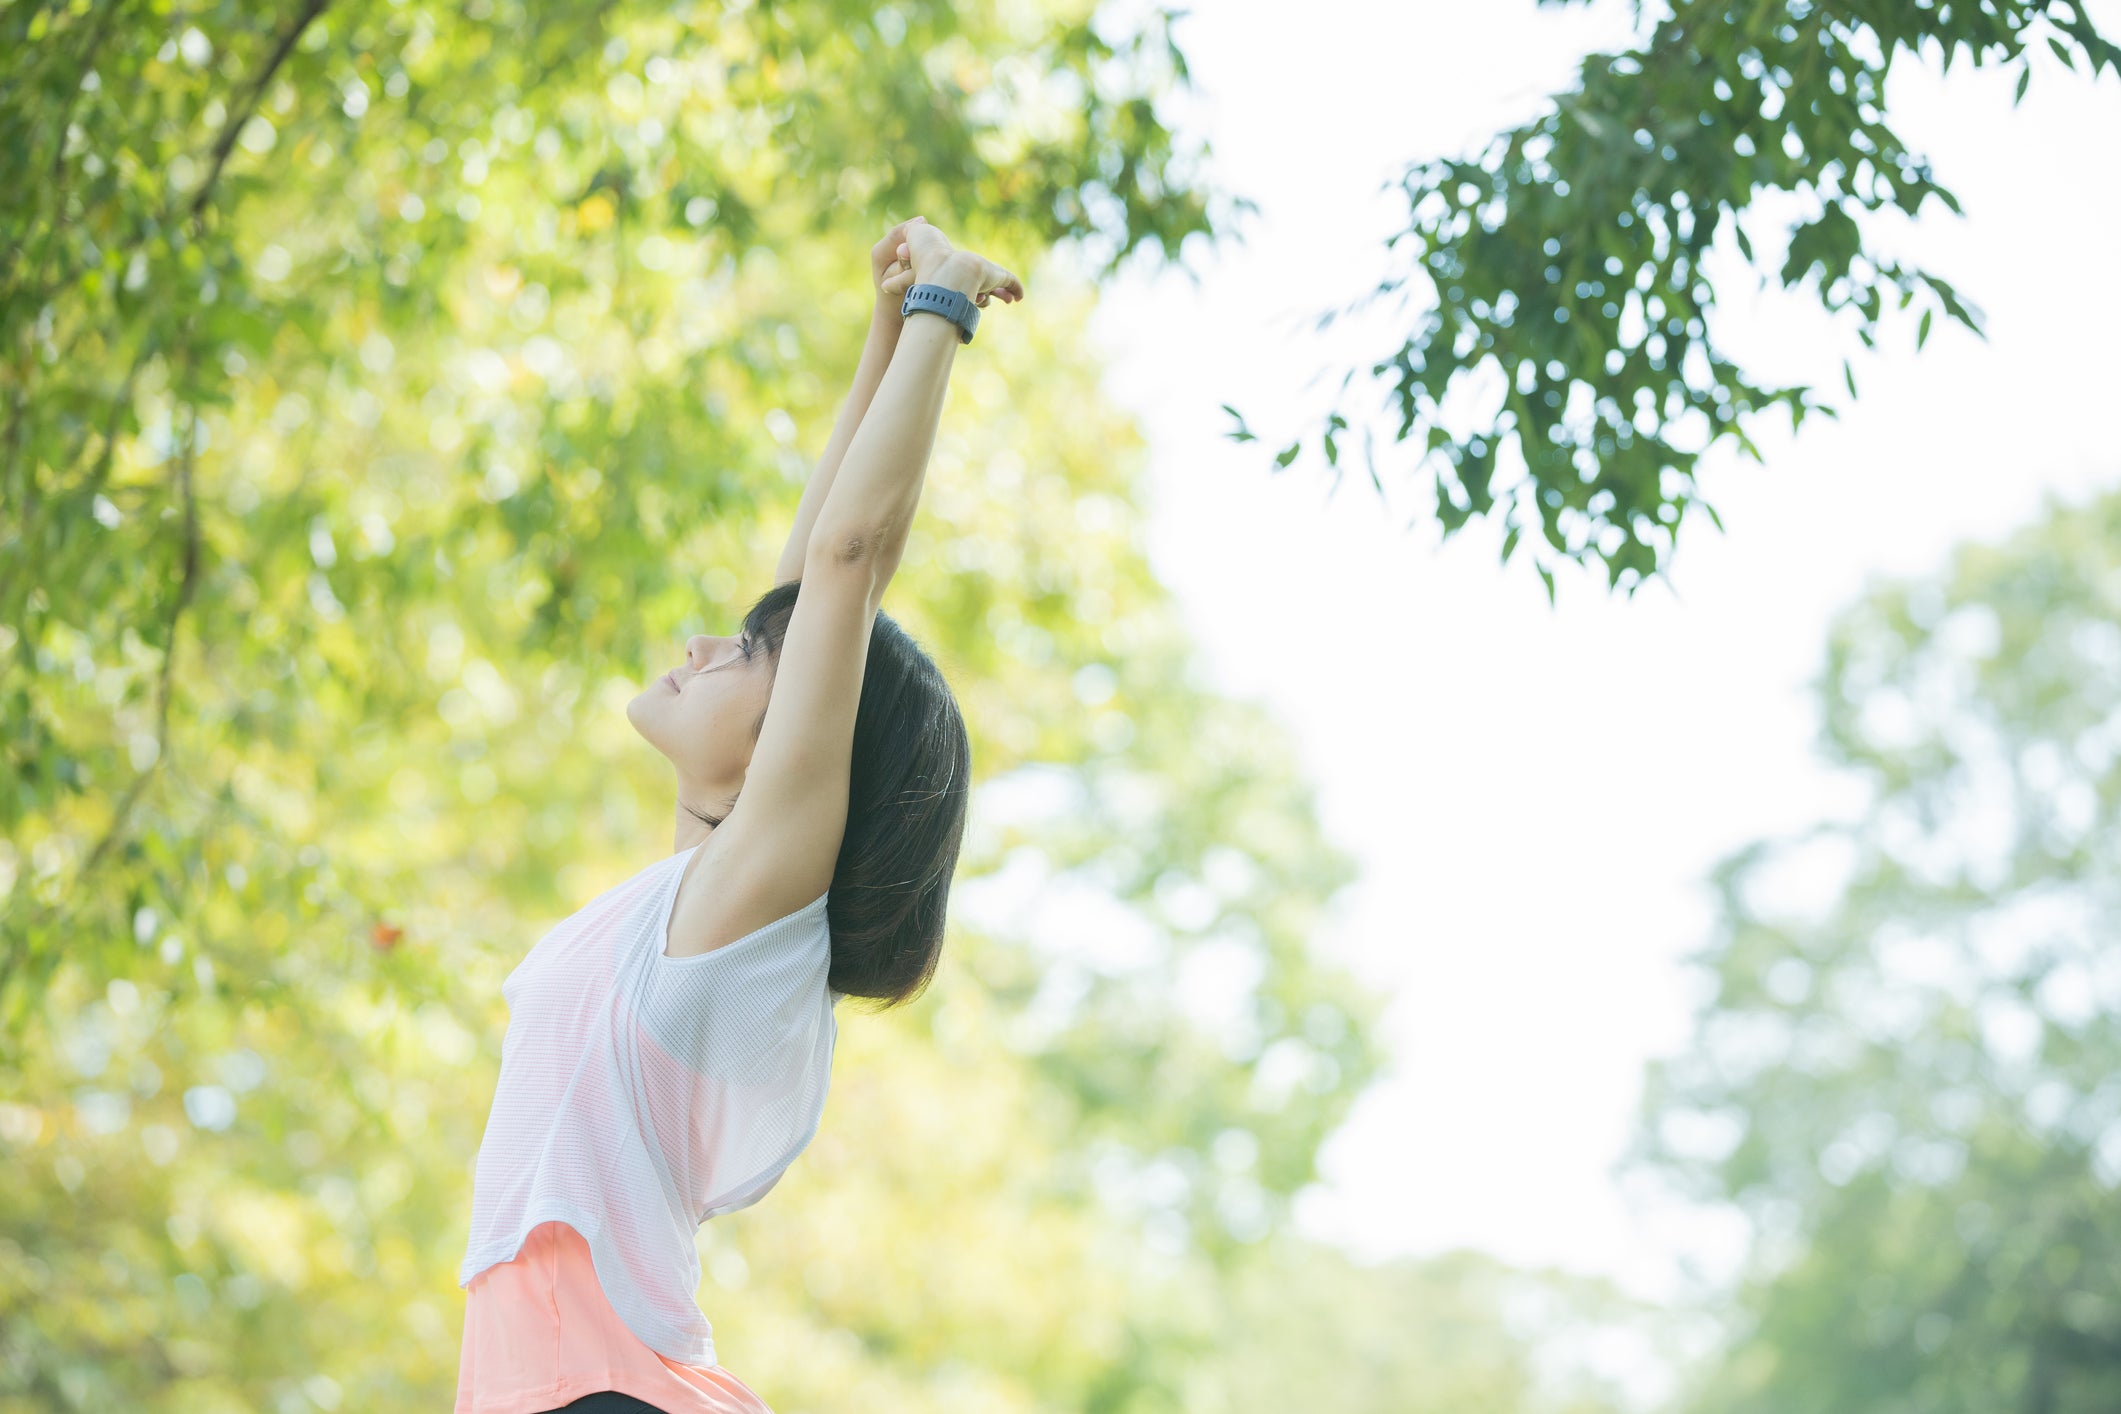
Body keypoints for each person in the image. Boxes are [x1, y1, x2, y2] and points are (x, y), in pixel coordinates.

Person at [453, 217, 1025, 1414]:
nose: (709, 643)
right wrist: (889, 318)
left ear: (786, 746)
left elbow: (847, 562)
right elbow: (812, 574)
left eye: (745, 655)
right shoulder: (694, 898)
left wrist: (947, 309)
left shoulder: (745, 897)